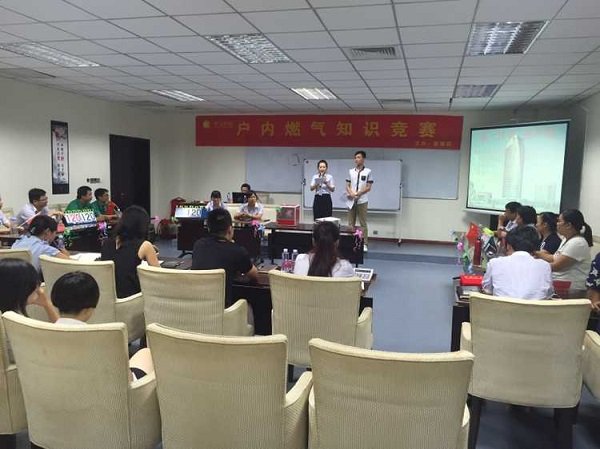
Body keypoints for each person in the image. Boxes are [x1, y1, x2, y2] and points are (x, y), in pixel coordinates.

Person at [51, 271, 153, 381]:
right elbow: (125, 380)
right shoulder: (106, 338)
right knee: (147, 353)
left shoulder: (41, 333)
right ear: (89, 310)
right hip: (107, 388)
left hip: (60, 385)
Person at [192, 208, 258, 307]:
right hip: (223, 311)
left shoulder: (198, 245)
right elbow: (254, 275)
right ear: (230, 230)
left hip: (197, 307)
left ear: (209, 229)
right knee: (249, 307)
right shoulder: (237, 251)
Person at [0, 258, 59, 362]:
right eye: (35, 285)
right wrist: (48, 305)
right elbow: (63, 337)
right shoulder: (16, 322)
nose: (39, 289)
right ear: (22, 289)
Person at [100, 205, 159, 298]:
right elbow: (159, 275)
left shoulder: (106, 242)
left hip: (108, 297)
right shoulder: (145, 245)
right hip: (132, 298)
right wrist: (150, 253)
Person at [482, 226, 553, 299]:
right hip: (535, 306)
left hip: (502, 305)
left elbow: (487, 290)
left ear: (508, 246)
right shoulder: (545, 266)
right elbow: (548, 294)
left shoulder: (494, 263)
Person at [536, 209, 593, 290]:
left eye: (559, 221)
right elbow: (554, 258)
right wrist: (535, 253)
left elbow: (556, 266)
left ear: (568, 225)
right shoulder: (566, 239)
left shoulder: (577, 243)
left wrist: (534, 265)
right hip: (558, 283)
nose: (557, 224)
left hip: (571, 289)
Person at [345, 150, 374, 251]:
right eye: (355, 157)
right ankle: (350, 242)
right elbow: (347, 185)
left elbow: (368, 187)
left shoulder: (368, 171)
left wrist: (359, 193)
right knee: (350, 223)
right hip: (351, 200)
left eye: (358, 157)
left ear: (363, 159)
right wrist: (352, 193)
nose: (356, 159)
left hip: (362, 200)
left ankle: (364, 243)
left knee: (363, 223)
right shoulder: (350, 171)